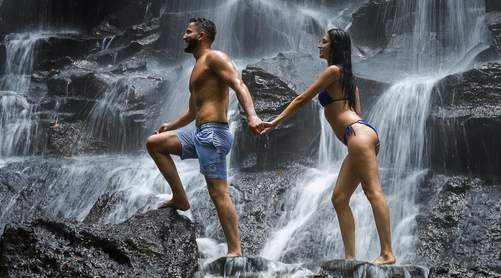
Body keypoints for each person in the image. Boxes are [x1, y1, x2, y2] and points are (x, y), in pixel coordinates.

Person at [259, 29, 396, 265]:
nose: (319, 45)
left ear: (335, 47)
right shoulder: (349, 81)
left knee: (373, 191)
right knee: (339, 198)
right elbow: (358, 114)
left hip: (358, 136)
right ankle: (350, 257)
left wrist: (275, 121)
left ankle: (387, 252)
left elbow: (302, 99)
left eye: (324, 42)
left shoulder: (333, 71)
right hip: (361, 135)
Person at [146, 18, 264, 257]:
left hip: (214, 133)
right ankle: (180, 198)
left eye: (188, 32)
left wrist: (252, 116)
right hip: (199, 133)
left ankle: (235, 250)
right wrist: (171, 125)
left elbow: (238, 83)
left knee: (218, 191)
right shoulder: (197, 68)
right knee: (155, 143)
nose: (183, 36)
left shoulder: (215, 58)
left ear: (201, 36)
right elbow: (192, 111)